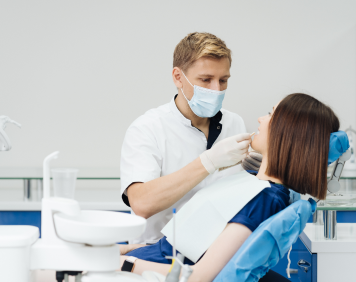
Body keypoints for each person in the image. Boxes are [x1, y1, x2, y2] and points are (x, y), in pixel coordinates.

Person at [120, 93, 340, 282]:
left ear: (288, 133)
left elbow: (199, 277)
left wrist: (125, 263)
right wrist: (130, 252)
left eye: (271, 114)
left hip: (151, 270)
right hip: (151, 257)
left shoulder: (264, 199)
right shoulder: (259, 186)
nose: (260, 119)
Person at [120, 32, 258, 246]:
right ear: (178, 77)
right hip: (160, 253)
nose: (216, 90)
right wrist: (208, 162)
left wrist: (256, 175)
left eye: (223, 80)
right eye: (205, 80)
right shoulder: (147, 128)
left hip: (217, 252)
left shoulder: (234, 123)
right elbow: (141, 203)